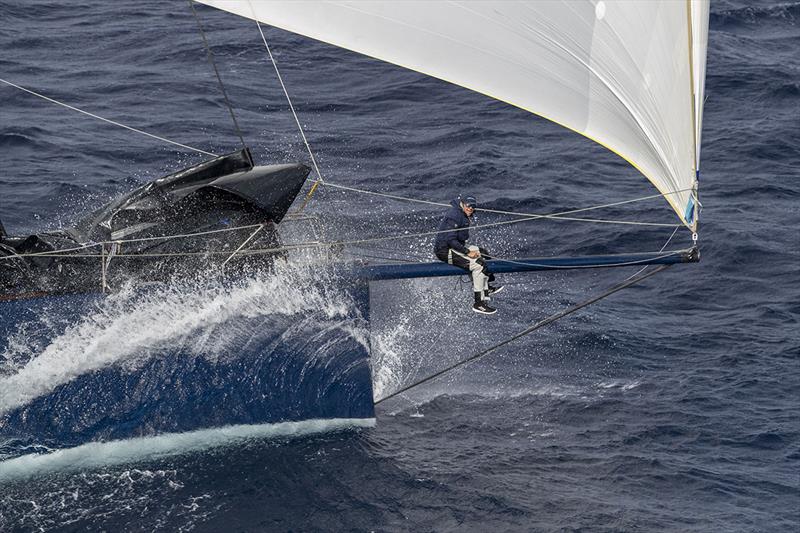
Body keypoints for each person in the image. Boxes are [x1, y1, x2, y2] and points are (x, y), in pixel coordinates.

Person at [434, 195, 503, 314]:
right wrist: (467, 252)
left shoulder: (464, 213)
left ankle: (487, 289)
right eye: (468, 205)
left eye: (473, 206)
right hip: (445, 251)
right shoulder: (454, 215)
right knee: (478, 265)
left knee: (483, 253)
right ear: (462, 203)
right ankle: (478, 303)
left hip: (454, 247)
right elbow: (451, 240)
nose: (470, 208)